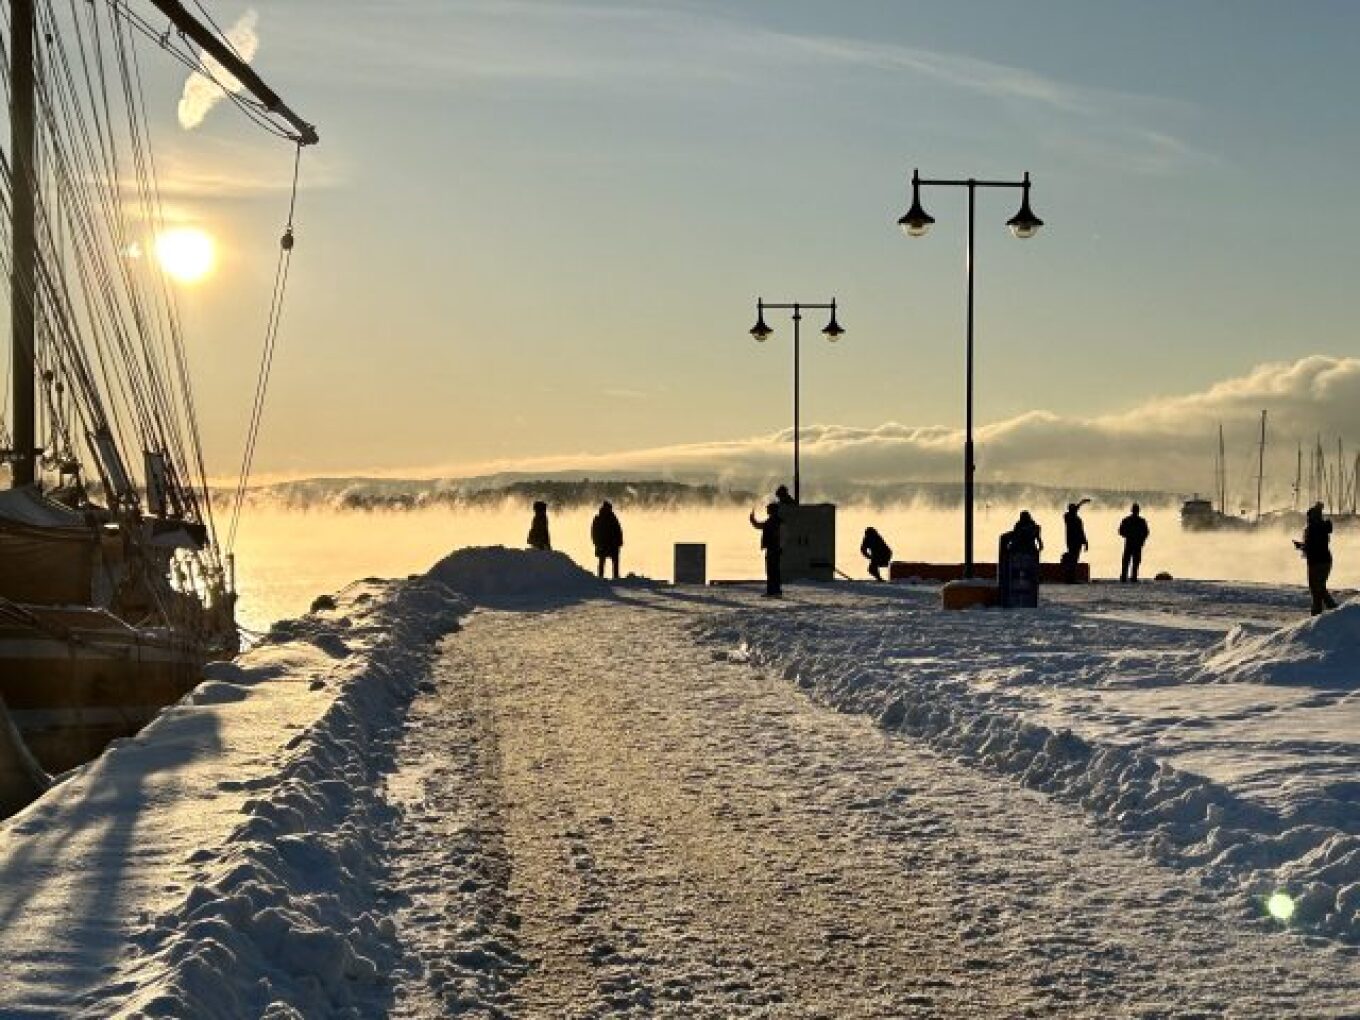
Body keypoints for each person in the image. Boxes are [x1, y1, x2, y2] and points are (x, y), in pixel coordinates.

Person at [1295, 502, 1338, 615]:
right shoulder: (1323, 527)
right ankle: (1331, 610)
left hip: (1316, 562)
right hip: (1325, 561)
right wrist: (1304, 546)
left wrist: (1301, 546)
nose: (1308, 519)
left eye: (1309, 517)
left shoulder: (1313, 528)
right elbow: (1317, 545)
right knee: (1319, 587)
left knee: (1316, 588)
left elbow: (1312, 547)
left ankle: (1319, 614)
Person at [749, 502, 783, 597]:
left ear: (772, 510)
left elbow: (760, 526)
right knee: (775, 570)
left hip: (772, 548)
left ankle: (772, 591)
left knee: (771, 571)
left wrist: (752, 520)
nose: (767, 510)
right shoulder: (777, 520)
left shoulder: (772, 521)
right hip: (776, 548)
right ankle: (776, 590)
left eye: (768, 509)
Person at [590, 500, 624, 580]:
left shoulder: (604, 518)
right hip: (607, 545)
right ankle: (612, 577)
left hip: (609, 545)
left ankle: (603, 577)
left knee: (604, 561)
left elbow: (618, 531)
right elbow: (618, 531)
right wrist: (596, 543)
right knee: (608, 562)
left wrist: (619, 542)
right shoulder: (604, 518)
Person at [1118, 503, 1150, 583]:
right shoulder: (1141, 521)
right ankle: (1132, 577)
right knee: (1134, 561)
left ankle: (1126, 577)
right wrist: (1141, 539)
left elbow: (1121, 531)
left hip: (1131, 543)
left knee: (1127, 561)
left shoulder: (1127, 520)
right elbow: (1146, 533)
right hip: (1135, 544)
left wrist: (1128, 535)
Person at [1062, 500, 1090, 583]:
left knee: (1074, 559)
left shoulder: (1071, 517)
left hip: (1075, 541)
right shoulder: (1070, 517)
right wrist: (1081, 503)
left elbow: (1081, 531)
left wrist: (1085, 542)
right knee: (1073, 560)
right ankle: (1070, 578)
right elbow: (1080, 531)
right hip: (1073, 541)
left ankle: (1071, 578)